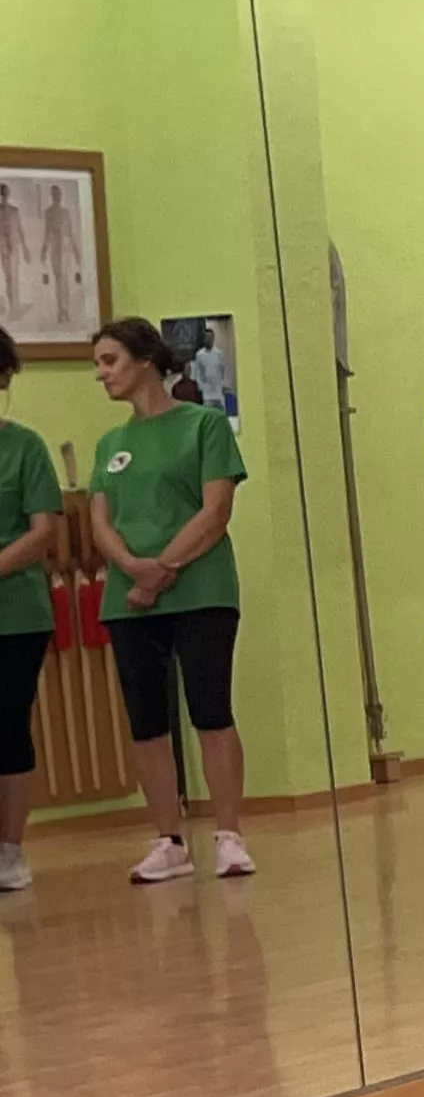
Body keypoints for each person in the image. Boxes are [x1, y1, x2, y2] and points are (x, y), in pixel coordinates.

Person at [86, 317, 252, 883]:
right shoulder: (110, 444)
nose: (101, 374)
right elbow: (101, 521)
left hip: (201, 591)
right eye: (98, 364)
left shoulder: (203, 425)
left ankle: (229, 836)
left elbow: (215, 510)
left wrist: (164, 569)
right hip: (128, 597)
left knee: (211, 710)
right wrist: (133, 567)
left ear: (145, 361)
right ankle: (169, 841)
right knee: (148, 722)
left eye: (109, 361)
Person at [0, 327, 57, 893]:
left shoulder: (25, 447)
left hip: (15, 615)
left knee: (7, 726)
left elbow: (42, 531)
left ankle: (10, 850)